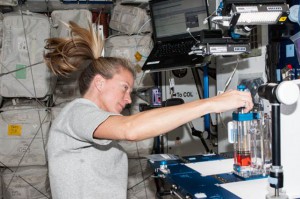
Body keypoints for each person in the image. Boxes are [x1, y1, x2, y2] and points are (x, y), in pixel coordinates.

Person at [44, 21, 253, 199]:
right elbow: (131, 129)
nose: (127, 100)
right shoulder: (78, 112)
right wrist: (211, 103)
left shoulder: (92, 120)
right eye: (124, 88)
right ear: (99, 83)